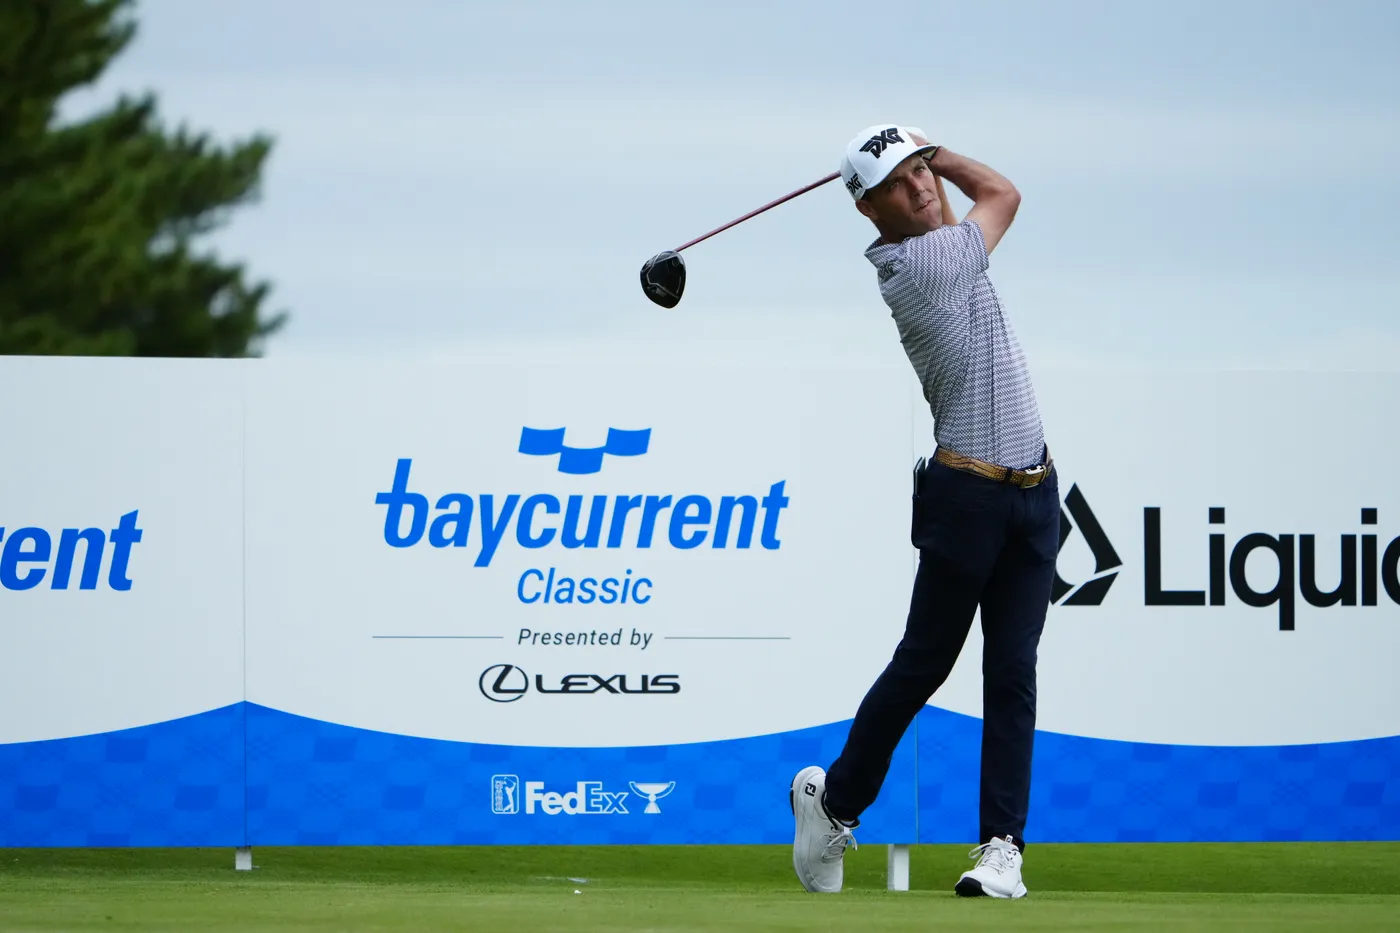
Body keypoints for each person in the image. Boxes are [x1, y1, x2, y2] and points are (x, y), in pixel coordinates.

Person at [790, 125, 1060, 899]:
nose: (920, 188)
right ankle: (836, 804)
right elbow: (1002, 192)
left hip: (1035, 492)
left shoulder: (940, 242)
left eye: (920, 172)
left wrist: (910, 152)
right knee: (924, 663)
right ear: (869, 208)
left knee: (1012, 672)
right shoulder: (921, 265)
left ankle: (1002, 849)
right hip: (967, 498)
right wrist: (937, 150)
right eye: (899, 183)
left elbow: (967, 203)